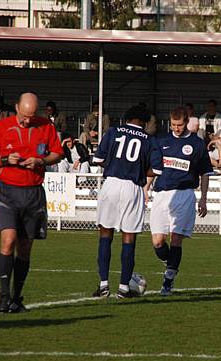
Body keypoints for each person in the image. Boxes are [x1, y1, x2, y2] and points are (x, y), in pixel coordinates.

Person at [0, 92, 63, 313]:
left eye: (31, 116)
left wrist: (41, 160)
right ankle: (3, 295)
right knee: (8, 240)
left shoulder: (46, 126)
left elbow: (58, 153)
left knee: (25, 249)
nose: (27, 120)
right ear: (17, 107)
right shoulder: (1, 126)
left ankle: (17, 297)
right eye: (24, 115)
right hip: (7, 192)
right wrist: (5, 160)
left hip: (33, 194)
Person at [91, 105, 163, 299]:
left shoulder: (113, 132)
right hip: (133, 187)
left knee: (105, 232)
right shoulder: (149, 139)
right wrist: (137, 170)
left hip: (111, 183)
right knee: (129, 237)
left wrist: (115, 164)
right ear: (144, 121)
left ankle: (103, 285)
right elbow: (157, 170)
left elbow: (98, 159)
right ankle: (123, 288)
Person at [144, 106, 214, 296]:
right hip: (162, 195)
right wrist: (146, 188)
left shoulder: (197, 144)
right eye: (173, 124)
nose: (176, 128)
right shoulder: (161, 140)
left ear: (186, 122)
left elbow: (205, 173)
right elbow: (154, 167)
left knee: (176, 239)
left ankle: (168, 280)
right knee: (158, 242)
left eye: (180, 124)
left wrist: (204, 199)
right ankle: (172, 264)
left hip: (184, 195)